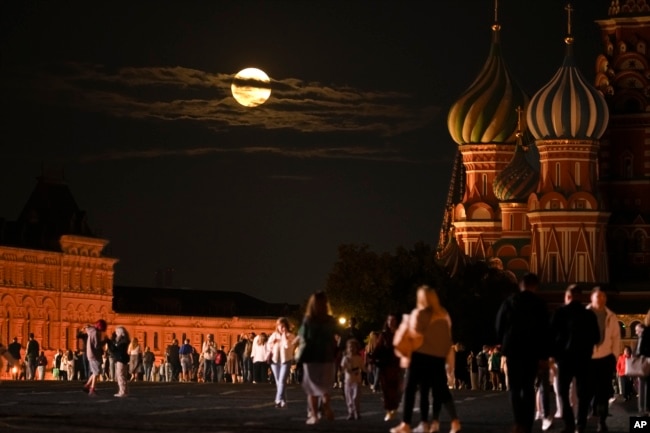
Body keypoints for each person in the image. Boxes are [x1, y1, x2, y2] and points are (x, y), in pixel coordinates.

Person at [391, 285, 461, 433]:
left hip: (419, 355)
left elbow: (415, 333)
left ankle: (408, 423)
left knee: (411, 389)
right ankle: (454, 421)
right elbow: (447, 340)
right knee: (441, 390)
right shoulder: (443, 314)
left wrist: (407, 323)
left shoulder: (419, 313)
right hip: (437, 358)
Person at [495, 273, 550, 433]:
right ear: (535, 286)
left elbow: (499, 323)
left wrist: (501, 342)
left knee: (514, 387)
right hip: (532, 352)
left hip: (513, 350)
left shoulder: (510, 301)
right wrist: (544, 356)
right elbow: (546, 331)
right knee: (528, 387)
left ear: (521, 285)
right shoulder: (539, 304)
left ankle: (518, 422)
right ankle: (527, 424)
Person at [580, 287, 620, 433]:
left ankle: (602, 421)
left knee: (603, 393)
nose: (601, 299)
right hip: (588, 359)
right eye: (598, 296)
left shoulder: (611, 316)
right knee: (585, 393)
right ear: (592, 298)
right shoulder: (584, 314)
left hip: (605, 358)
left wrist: (614, 357)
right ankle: (582, 423)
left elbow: (616, 338)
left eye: (603, 296)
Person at [296, 290, 338, 425]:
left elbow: (303, 336)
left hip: (311, 356)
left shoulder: (309, 320)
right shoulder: (330, 320)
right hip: (327, 356)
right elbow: (338, 335)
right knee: (325, 386)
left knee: (311, 388)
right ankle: (326, 403)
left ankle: (314, 415)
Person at [373, 313, 402, 421]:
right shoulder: (384, 335)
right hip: (386, 364)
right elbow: (378, 348)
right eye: (389, 320)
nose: (391, 322)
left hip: (398, 364)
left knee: (397, 388)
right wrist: (373, 359)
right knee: (386, 388)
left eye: (393, 320)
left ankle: (394, 406)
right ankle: (389, 409)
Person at [267, 317, 295, 407]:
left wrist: (284, 336)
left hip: (285, 360)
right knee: (278, 381)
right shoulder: (274, 335)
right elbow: (268, 346)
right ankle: (283, 401)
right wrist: (273, 343)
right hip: (275, 361)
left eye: (283, 326)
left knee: (282, 380)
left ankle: (278, 400)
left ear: (286, 326)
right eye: (279, 326)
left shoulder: (291, 336)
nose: (281, 328)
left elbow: (287, 346)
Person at [341, 338, 365, 420]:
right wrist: (345, 370)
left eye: (353, 347)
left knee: (356, 398)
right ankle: (350, 413)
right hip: (348, 381)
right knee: (349, 398)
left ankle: (357, 412)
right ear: (347, 349)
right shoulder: (345, 358)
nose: (352, 349)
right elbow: (342, 368)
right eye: (350, 347)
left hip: (357, 381)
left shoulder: (358, 358)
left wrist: (367, 368)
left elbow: (363, 367)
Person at [83, 319, 108, 396]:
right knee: (96, 372)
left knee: (95, 371)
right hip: (94, 354)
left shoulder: (91, 331)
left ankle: (87, 386)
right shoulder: (95, 333)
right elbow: (97, 345)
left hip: (91, 354)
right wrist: (104, 341)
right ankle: (92, 389)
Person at [107, 326, 130, 397]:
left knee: (120, 375)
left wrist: (109, 343)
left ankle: (122, 391)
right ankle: (124, 391)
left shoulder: (122, 342)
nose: (116, 334)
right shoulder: (124, 340)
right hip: (122, 359)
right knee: (122, 375)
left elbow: (116, 350)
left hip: (120, 359)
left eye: (117, 332)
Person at [636, 310, 650, 416]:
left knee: (645, 386)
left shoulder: (646, 331)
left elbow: (639, 350)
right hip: (648, 362)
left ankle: (644, 410)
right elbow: (640, 350)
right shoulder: (646, 331)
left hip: (646, 361)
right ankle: (645, 410)